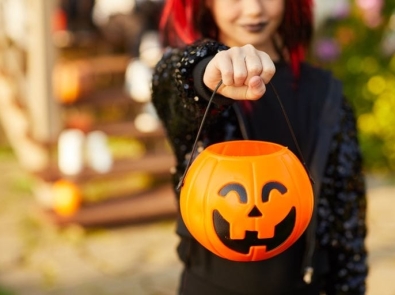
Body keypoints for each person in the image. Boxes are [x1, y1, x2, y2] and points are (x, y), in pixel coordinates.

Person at [151, 0, 368, 294]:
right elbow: (174, 83)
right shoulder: (191, 81)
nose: (254, 9)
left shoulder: (326, 97)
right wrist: (207, 72)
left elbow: (346, 231)